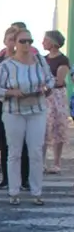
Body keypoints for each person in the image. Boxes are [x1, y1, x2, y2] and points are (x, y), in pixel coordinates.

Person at [0, 27, 55, 206]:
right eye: (22, 41)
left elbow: (50, 79)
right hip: (14, 111)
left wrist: (46, 88)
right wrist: (12, 92)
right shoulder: (6, 65)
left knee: (36, 151)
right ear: (14, 43)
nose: (27, 44)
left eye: (30, 41)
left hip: (37, 109)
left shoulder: (40, 61)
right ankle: (14, 191)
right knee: (14, 151)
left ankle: (36, 191)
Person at [0, 26, 29, 190]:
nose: (13, 43)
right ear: (5, 41)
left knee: (24, 142)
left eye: (16, 40)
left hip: (21, 105)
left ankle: (24, 178)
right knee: (4, 141)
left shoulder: (25, 61)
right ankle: (6, 178)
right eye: (10, 39)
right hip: (1, 105)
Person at [43, 30, 69, 174]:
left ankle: (57, 162)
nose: (43, 43)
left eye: (45, 40)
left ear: (53, 43)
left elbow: (59, 81)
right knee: (44, 128)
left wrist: (45, 85)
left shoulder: (62, 60)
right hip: (44, 95)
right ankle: (41, 162)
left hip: (56, 96)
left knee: (57, 126)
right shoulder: (43, 59)